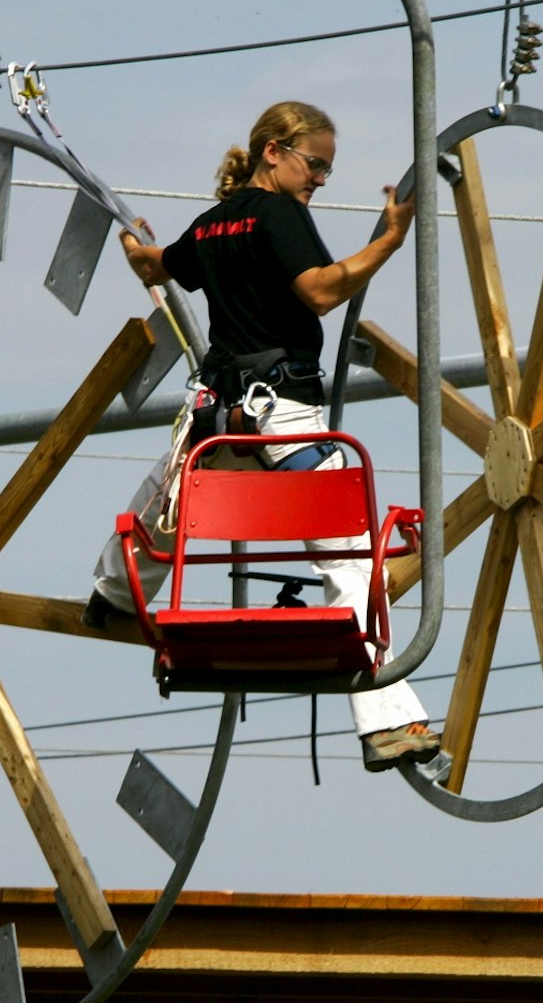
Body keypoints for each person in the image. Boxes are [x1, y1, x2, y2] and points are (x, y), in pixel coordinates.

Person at [82, 101, 439, 773]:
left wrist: (137, 252)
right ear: (273, 152)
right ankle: (386, 721)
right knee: (353, 562)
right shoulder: (279, 215)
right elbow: (322, 292)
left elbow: (162, 266)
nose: (321, 180)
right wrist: (388, 242)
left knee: (168, 509)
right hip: (282, 411)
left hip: (219, 416)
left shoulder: (216, 222)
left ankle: (112, 595)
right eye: (316, 164)